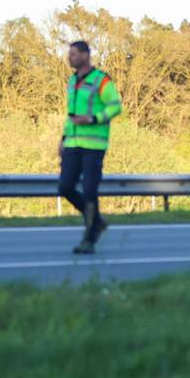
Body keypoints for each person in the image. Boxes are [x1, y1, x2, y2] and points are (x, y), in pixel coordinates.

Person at [57, 40, 122, 254]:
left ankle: (90, 238)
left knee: (89, 191)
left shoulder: (101, 80)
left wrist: (93, 119)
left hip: (94, 145)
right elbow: (71, 114)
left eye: (74, 54)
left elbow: (115, 107)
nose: (70, 58)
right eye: (70, 54)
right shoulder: (72, 80)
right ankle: (97, 221)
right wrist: (63, 139)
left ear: (86, 55)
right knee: (65, 187)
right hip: (73, 144)